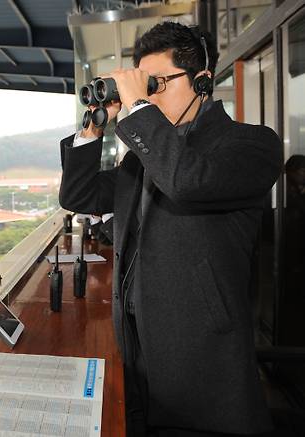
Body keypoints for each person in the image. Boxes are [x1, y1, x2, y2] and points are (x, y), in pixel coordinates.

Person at [58, 22, 282, 436]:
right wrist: (94, 127)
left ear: (202, 82)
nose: (147, 97)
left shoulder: (251, 145)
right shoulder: (141, 159)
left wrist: (139, 109)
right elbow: (80, 196)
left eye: (157, 83)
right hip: (136, 344)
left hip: (200, 358)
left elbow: (186, 181)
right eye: (143, 86)